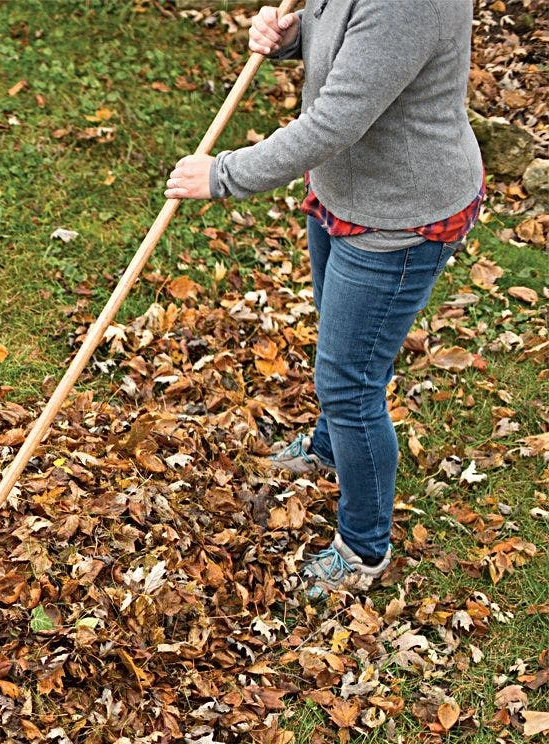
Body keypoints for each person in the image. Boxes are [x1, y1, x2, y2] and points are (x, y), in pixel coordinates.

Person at [165, 0, 484, 600]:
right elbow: (345, 48)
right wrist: (291, 37)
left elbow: (336, 119)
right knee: (348, 352)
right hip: (347, 189)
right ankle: (333, 448)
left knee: (349, 381)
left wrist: (224, 174)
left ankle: (364, 548)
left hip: (400, 215)